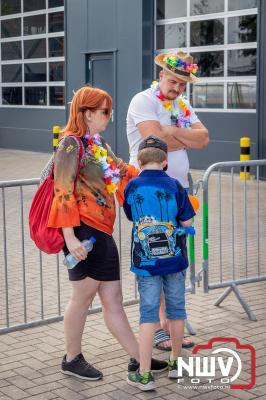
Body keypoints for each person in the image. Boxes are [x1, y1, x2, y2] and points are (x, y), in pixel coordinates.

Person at [47, 86, 168, 380]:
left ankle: (139, 359)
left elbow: (122, 170)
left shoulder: (96, 144)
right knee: (83, 297)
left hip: (101, 231)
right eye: (104, 112)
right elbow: (61, 191)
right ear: (86, 114)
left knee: (113, 298)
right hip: (84, 233)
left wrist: (153, 175)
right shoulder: (70, 145)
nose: (108, 117)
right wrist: (70, 237)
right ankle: (72, 357)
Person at [127, 50, 209, 351]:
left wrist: (171, 132)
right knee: (155, 253)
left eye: (182, 85)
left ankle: (169, 325)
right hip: (148, 194)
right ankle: (158, 327)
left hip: (176, 192)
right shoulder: (143, 101)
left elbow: (204, 138)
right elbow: (154, 142)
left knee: (173, 257)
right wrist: (181, 136)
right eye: (173, 81)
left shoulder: (180, 105)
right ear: (161, 75)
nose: (176, 89)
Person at [124, 135, 195, 391]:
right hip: (175, 262)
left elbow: (131, 215)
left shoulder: (132, 187)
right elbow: (187, 222)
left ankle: (144, 374)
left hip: (146, 264)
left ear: (140, 161)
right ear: (165, 162)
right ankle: (176, 364)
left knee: (148, 314)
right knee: (176, 311)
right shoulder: (176, 185)